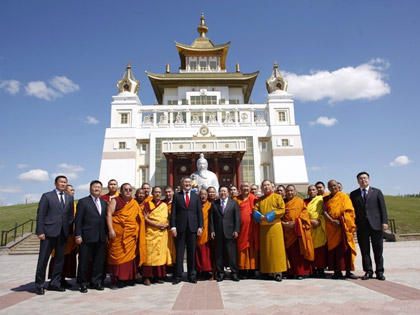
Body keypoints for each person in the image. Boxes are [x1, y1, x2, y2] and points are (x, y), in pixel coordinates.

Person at [34, 176, 75, 295]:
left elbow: (70, 216)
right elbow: (41, 214)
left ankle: (55, 283)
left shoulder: (69, 197)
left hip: (63, 234)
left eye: (65, 182)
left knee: (59, 260)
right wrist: (40, 231)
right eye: (61, 182)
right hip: (48, 233)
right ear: (55, 183)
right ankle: (39, 285)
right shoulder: (47, 196)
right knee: (43, 260)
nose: (63, 184)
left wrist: (69, 232)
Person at [350, 172, 388, 281]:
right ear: (357, 181)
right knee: (365, 251)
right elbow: (352, 211)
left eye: (365, 178)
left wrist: (384, 222)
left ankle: (380, 271)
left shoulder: (376, 192)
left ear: (369, 179)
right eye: (360, 179)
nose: (363, 180)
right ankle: (368, 271)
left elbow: (383, 208)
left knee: (378, 250)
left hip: (376, 225)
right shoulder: (354, 194)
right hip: (362, 226)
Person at [107, 183, 146, 287]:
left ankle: (129, 278)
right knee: (117, 256)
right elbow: (109, 215)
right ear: (121, 191)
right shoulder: (115, 200)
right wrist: (110, 230)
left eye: (130, 190)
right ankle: (117, 279)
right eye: (126, 189)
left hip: (131, 236)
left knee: (130, 258)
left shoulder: (134, 203)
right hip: (117, 235)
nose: (128, 191)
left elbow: (140, 217)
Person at [75, 180, 108, 293]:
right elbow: (78, 220)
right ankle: (83, 283)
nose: (97, 189)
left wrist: (107, 235)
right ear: (90, 188)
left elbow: (105, 220)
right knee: (84, 261)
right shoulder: (83, 202)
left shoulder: (104, 203)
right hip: (86, 237)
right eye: (95, 187)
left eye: (99, 187)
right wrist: (78, 235)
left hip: (100, 237)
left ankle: (96, 282)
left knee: (98, 261)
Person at [170, 177, 203, 284]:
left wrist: (200, 226)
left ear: (191, 184)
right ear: (182, 184)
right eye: (185, 182)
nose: (187, 184)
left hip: (193, 228)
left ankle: (191, 275)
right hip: (180, 228)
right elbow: (173, 213)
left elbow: (199, 213)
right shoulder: (177, 196)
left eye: (189, 182)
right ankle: (178, 275)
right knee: (179, 253)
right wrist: (173, 227)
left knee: (191, 252)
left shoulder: (195, 196)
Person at [253, 180, 287, 281]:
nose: (266, 187)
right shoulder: (260, 199)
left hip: (275, 227)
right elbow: (255, 210)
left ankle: (278, 272)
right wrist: (260, 217)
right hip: (263, 228)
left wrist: (268, 216)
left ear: (272, 187)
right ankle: (267, 272)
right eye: (264, 185)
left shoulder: (277, 197)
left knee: (277, 250)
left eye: (268, 185)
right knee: (266, 250)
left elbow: (282, 210)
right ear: (262, 188)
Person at [324, 180, 357, 280]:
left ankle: (348, 271)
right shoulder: (326, 198)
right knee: (334, 251)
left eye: (334, 185)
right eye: (330, 186)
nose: (333, 187)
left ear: (338, 186)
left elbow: (349, 211)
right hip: (331, 227)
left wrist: (341, 221)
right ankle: (337, 271)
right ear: (328, 188)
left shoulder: (343, 196)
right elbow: (324, 211)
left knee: (345, 249)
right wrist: (332, 221)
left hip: (343, 226)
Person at [47, 184, 77, 288]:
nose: (73, 192)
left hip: (71, 237)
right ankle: (55, 280)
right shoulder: (62, 202)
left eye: (73, 190)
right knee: (59, 259)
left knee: (67, 260)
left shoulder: (74, 203)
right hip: (61, 235)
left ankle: (63, 279)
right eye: (70, 190)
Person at [282, 185, 314, 279]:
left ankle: (301, 272)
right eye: (288, 191)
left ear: (295, 192)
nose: (290, 193)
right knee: (290, 253)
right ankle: (291, 272)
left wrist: (296, 223)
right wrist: (284, 224)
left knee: (299, 252)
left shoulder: (300, 201)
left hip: (298, 231)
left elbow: (305, 215)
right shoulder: (283, 202)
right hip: (287, 231)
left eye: (292, 191)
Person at [209, 186, 241, 282]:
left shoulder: (234, 203)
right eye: (221, 191)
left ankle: (234, 273)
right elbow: (211, 219)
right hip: (218, 233)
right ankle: (220, 273)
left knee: (231, 255)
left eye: (224, 191)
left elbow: (237, 218)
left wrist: (236, 230)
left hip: (230, 232)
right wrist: (212, 230)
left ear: (228, 193)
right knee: (219, 255)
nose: (223, 193)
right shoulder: (214, 203)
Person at [141, 187, 172, 285]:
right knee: (149, 255)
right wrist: (156, 225)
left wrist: (167, 224)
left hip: (162, 233)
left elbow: (168, 218)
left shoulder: (164, 205)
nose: (157, 194)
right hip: (151, 232)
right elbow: (144, 218)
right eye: (155, 192)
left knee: (160, 254)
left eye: (159, 192)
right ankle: (147, 277)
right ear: (152, 193)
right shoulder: (147, 204)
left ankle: (158, 276)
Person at [236, 182, 259, 278]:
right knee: (242, 248)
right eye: (243, 187)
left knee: (252, 248)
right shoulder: (236, 200)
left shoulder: (255, 199)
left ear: (250, 188)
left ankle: (252, 269)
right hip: (241, 229)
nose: (245, 188)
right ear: (240, 189)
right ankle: (242, 269)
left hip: (253, 227)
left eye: (247, 187)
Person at [304, 185, 327, 277]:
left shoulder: (321, 200)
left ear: (317, 191)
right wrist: (308, 221)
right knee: (310, 248)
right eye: (310, 190)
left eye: (313, 190)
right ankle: (312, 269)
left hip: (319, 226)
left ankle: (321, 270)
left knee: (320, 249)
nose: (311, 191)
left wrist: (319, 221)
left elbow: (324, 212)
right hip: (308, 226)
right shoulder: (304, 202)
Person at [195, 189, 213, 278]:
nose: (203, 196)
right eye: (201, 194)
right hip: (198, 232)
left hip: (207, 232)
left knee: (207, 252)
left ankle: (208, 270)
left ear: (207, 196)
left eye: (205, 194)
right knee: (198, 252)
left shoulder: (210, 205)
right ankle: (199, 270)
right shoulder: (195, 206)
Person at [163, 186, 176, 271]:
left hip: (174, 230)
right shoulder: (162, 203)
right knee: (165, 250)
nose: (168, 194)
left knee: (174, 250)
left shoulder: (176, 202)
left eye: (169, 192)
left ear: (173, 192)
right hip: (164, 230)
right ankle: (165, 269)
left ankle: (175, 270)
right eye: (166, 192)